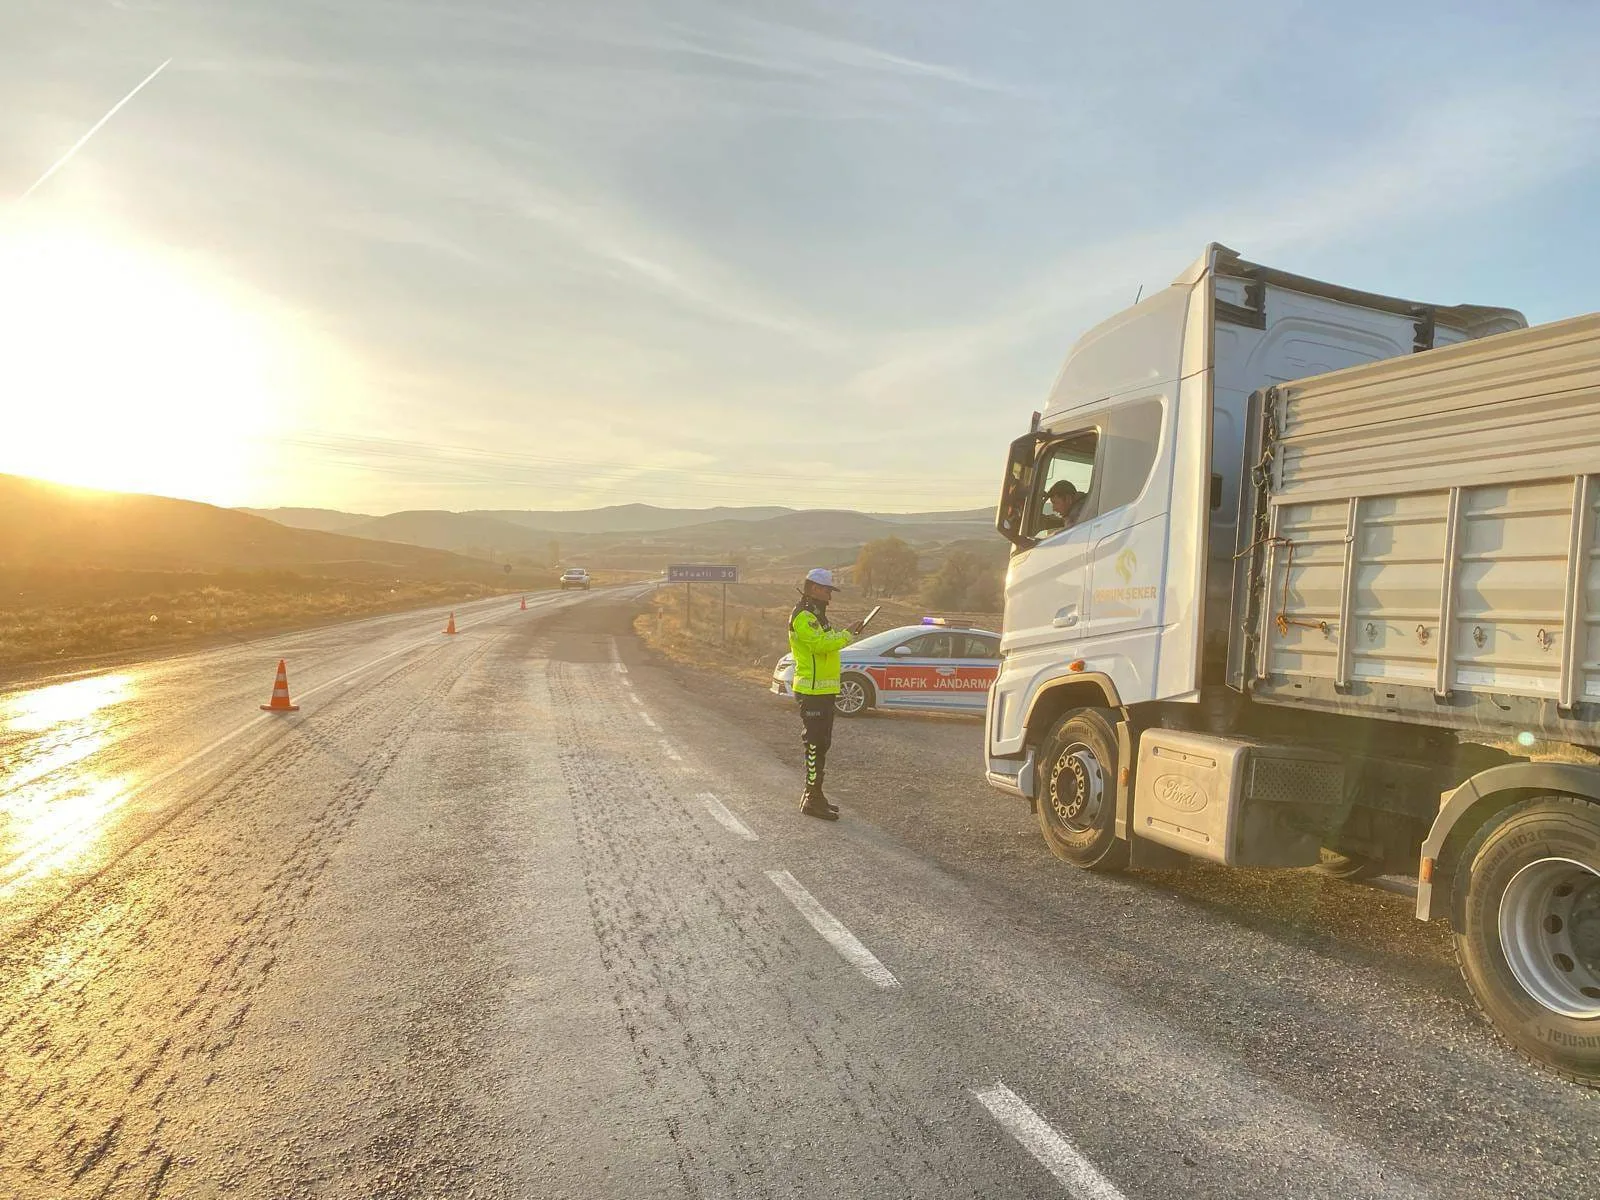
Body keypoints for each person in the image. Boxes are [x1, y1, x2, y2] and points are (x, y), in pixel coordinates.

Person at [788, 567, 863, 821]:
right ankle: (811, 797)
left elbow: (827, 639)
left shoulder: (818, 615)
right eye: (828, 590)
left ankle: (816, 794)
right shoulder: (803, 616)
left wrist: (843, 634)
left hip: (824, 689)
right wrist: (847, 634)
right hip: (812, 690)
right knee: (814, 746)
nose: (830, 596)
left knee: (822, 745)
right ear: (816, 589)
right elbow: (821, 645)